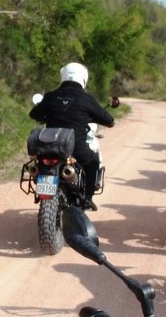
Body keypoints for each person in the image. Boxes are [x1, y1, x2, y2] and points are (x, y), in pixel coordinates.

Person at [29, 62, 115, 211]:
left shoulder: (50, 96)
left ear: (63, 76)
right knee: (93, 161)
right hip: (76, 148)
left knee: (40, 164)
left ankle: (45, 190)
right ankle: (87, 199)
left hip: (49, 146)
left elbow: (33, 114)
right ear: (83, 78)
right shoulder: (86, 98)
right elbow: (109, 121)